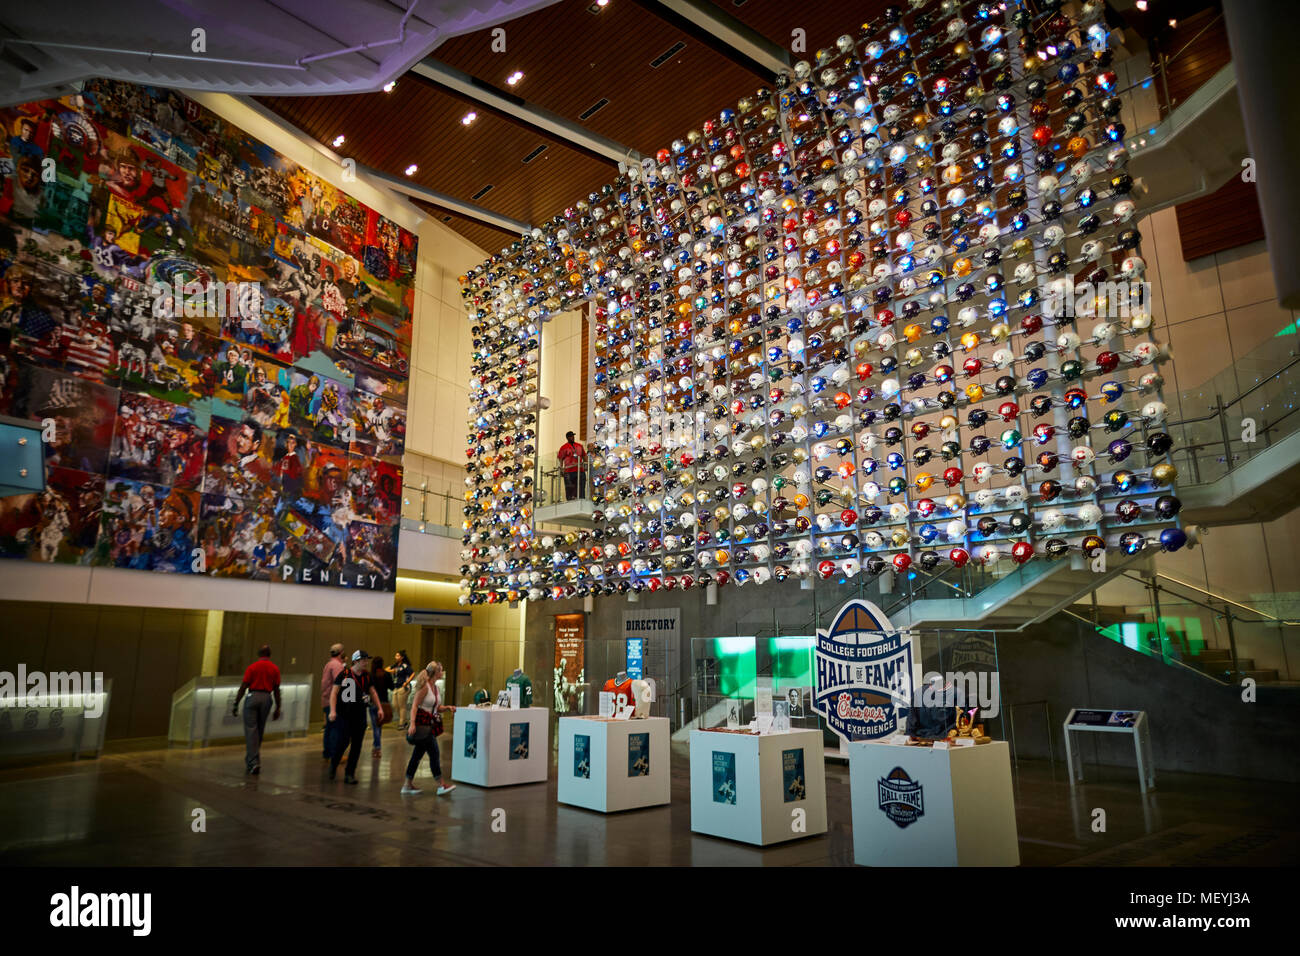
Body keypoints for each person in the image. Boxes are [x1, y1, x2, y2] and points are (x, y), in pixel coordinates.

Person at [402, 662, 456, 796]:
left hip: (428, 726)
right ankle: (441, 784)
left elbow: (437, 708)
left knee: (417, 755)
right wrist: (412, 723)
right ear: (435, 672)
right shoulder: (424, 687)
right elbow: (414, 706)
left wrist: (448, 707)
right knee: (434, 753)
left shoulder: (435, 688)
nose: (442, 673)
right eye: (441, 670)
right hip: (422, 726)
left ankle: (407, 785)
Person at [232, 644, 281, 775]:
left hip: (252, 697)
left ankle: (253, 762)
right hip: (267, 699)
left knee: (251, 730)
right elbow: (276, 690)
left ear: (259, 654)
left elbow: (244, 686)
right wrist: (278, 707)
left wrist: (236, 703)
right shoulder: (274, 668)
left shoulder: (252, 667)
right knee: (259, 730)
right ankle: (252, 760)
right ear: (269, 655)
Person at [328, 650, 374, 784]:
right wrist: (332, 711)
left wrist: (380, 708)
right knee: (342, 743)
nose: (366, 662)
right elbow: (334, 693)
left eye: (367, 660)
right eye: (363, 660)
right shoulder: (344, 674)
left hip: (360, 716)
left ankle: (350, 774)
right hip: (345, 716)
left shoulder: (367, 676)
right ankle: (334, 764)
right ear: (356, 661)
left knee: (357, 746)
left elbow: (372, 692)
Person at [320, 643, 345, 758]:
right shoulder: (337, 666)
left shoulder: (328, 664)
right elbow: (340, 684)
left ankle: (327, 752)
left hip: (325, 699)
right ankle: (334, 754)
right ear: (341, 653)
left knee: (329, 727)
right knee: (336, 728)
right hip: (333, 701)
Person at [368, 655, 393, 757]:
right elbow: (392, 687)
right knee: (379, 727)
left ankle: (377, 748)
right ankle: (376, 746)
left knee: (375, 727)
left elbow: (367, 689)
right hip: (383, 703)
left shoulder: (370, 675)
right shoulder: (386, 675)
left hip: (373, 703)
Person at [388, 650, 414, 730]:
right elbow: (386, 669)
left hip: (403, 687)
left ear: (402, 657)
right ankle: (405, 721)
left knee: (402, 706)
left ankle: (401, 723)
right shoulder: (395, 666)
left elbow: (412, 674)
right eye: (396, 656)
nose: (396, 657)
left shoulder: (405, 666)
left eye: (398, 656)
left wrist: (407, 682)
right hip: (396, 687)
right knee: (395, 705)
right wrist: (393, 670)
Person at [557, 430, 585, 500]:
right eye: (571, 436)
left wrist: (586, 465)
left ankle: (581, 499)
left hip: (580, 470)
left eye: (573, 436)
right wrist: (561, 468)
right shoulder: (563, 447)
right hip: (569, 471)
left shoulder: (579, 446)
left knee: (581, 486)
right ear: (567, 438)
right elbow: (560, 458)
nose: (572, 437)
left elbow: (584, 456)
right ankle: (570, 500)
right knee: (569, 487)